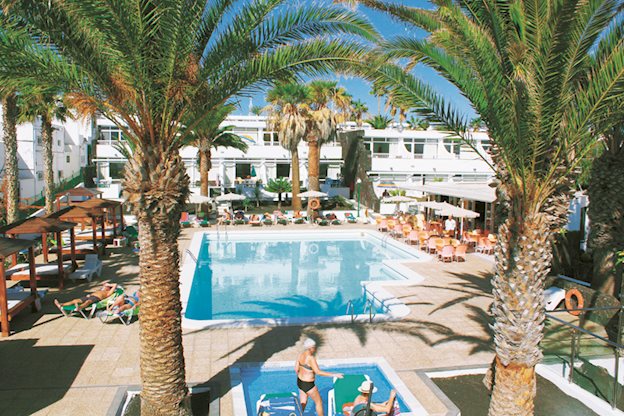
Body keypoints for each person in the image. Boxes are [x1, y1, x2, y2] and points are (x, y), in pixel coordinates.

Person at [295, 338, 343, 416]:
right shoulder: (311, 358)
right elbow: (318, 372)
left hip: (300, 382)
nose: (315, 349)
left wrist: (303, 375)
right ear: (310, 348)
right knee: (318, 402)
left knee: (303, 402)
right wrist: (334, 374)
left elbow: (296, 369)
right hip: (308, 384)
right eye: (314, 347)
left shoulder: (301, 355)